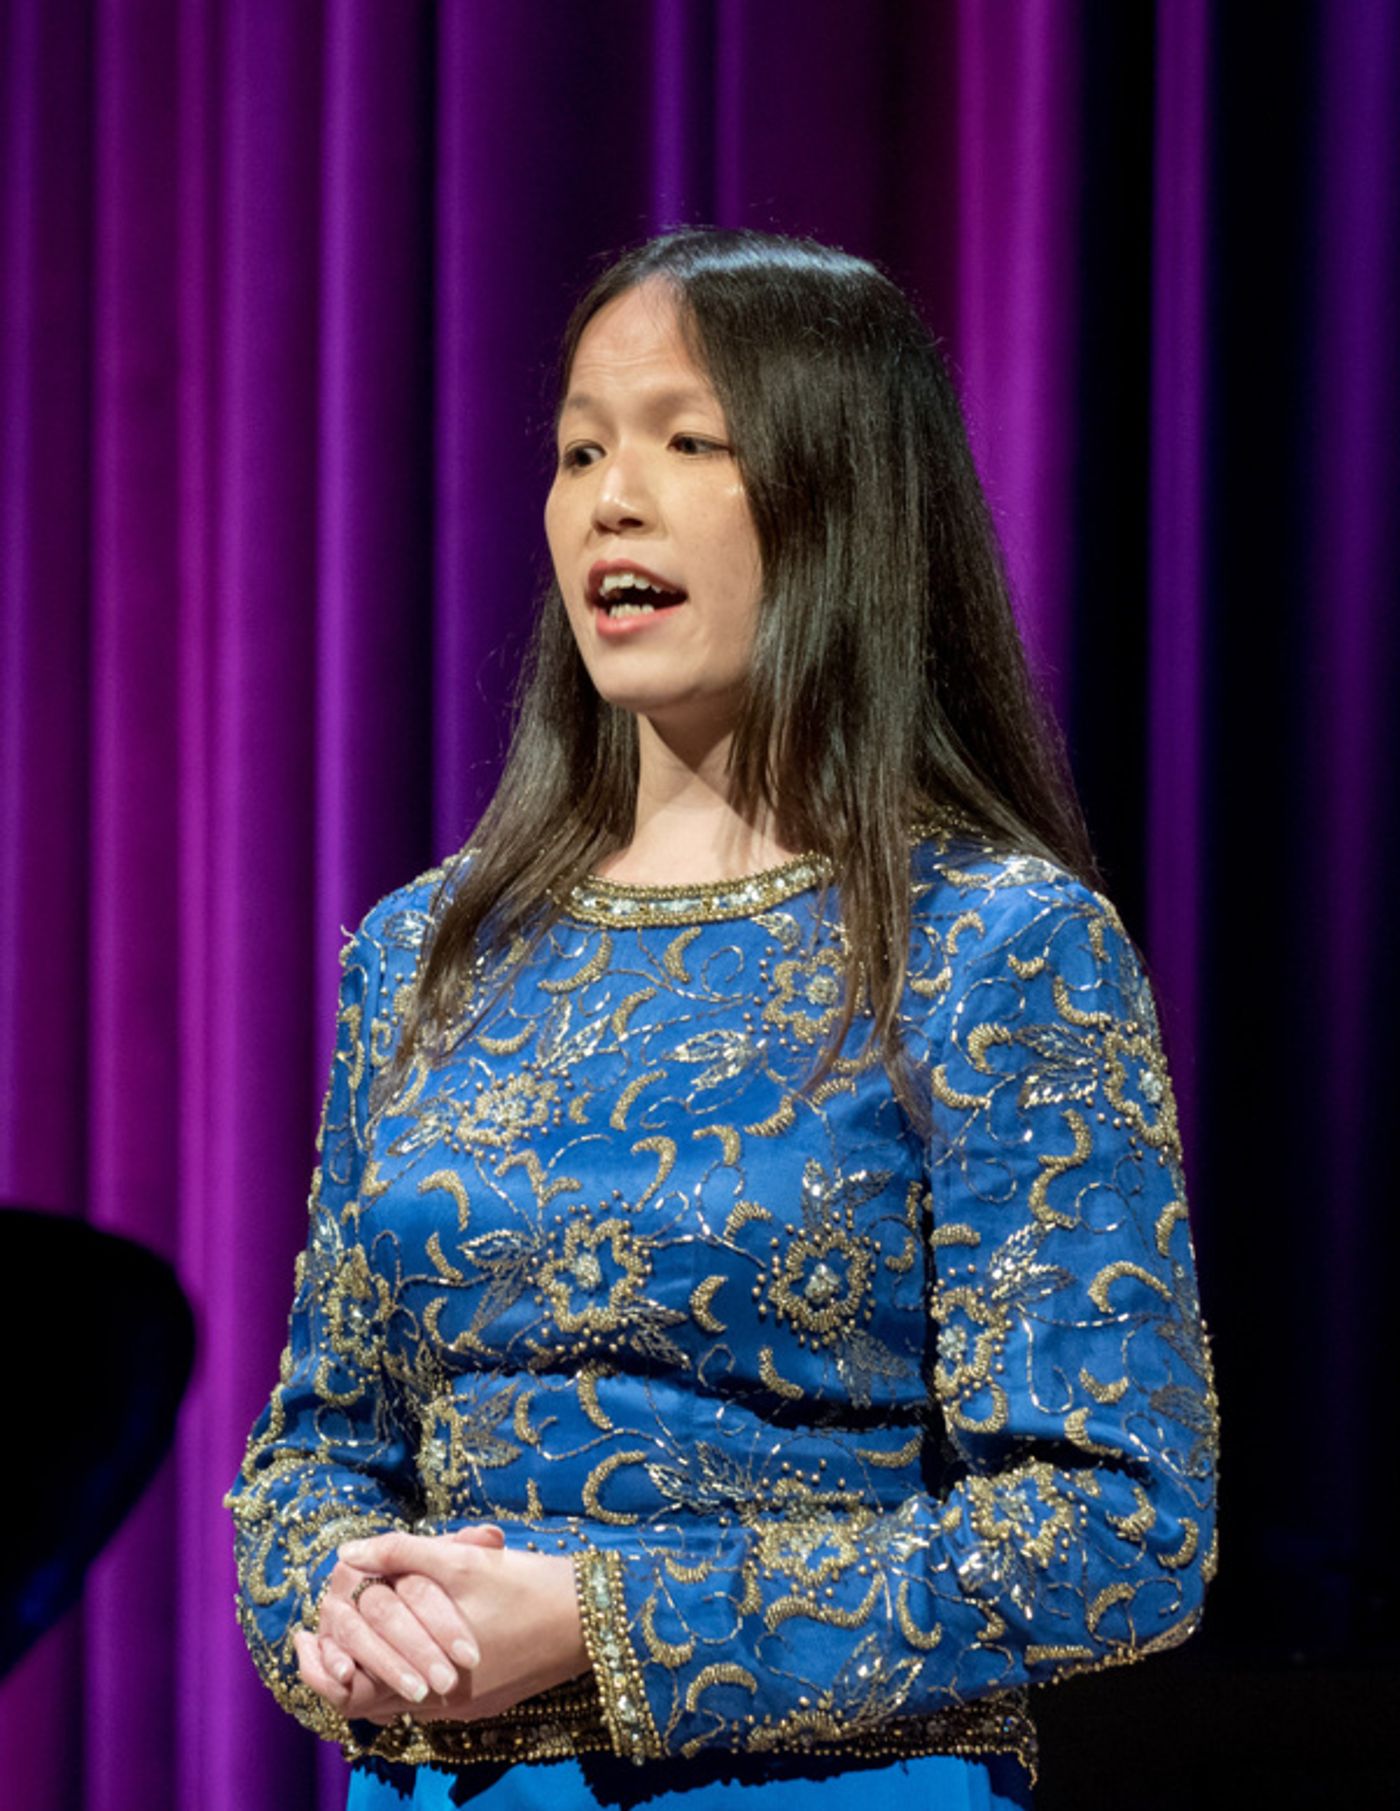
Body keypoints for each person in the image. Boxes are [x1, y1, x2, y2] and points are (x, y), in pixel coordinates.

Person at [226, 228, 1218, 1811]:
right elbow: (317, 1450)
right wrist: (335, 1605)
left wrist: (613, 1624)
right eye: (578, 449)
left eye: (691, 442)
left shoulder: (996, 946)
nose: (611, 496)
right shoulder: (427, 951)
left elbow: (1116, 1533)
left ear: (846, 500)